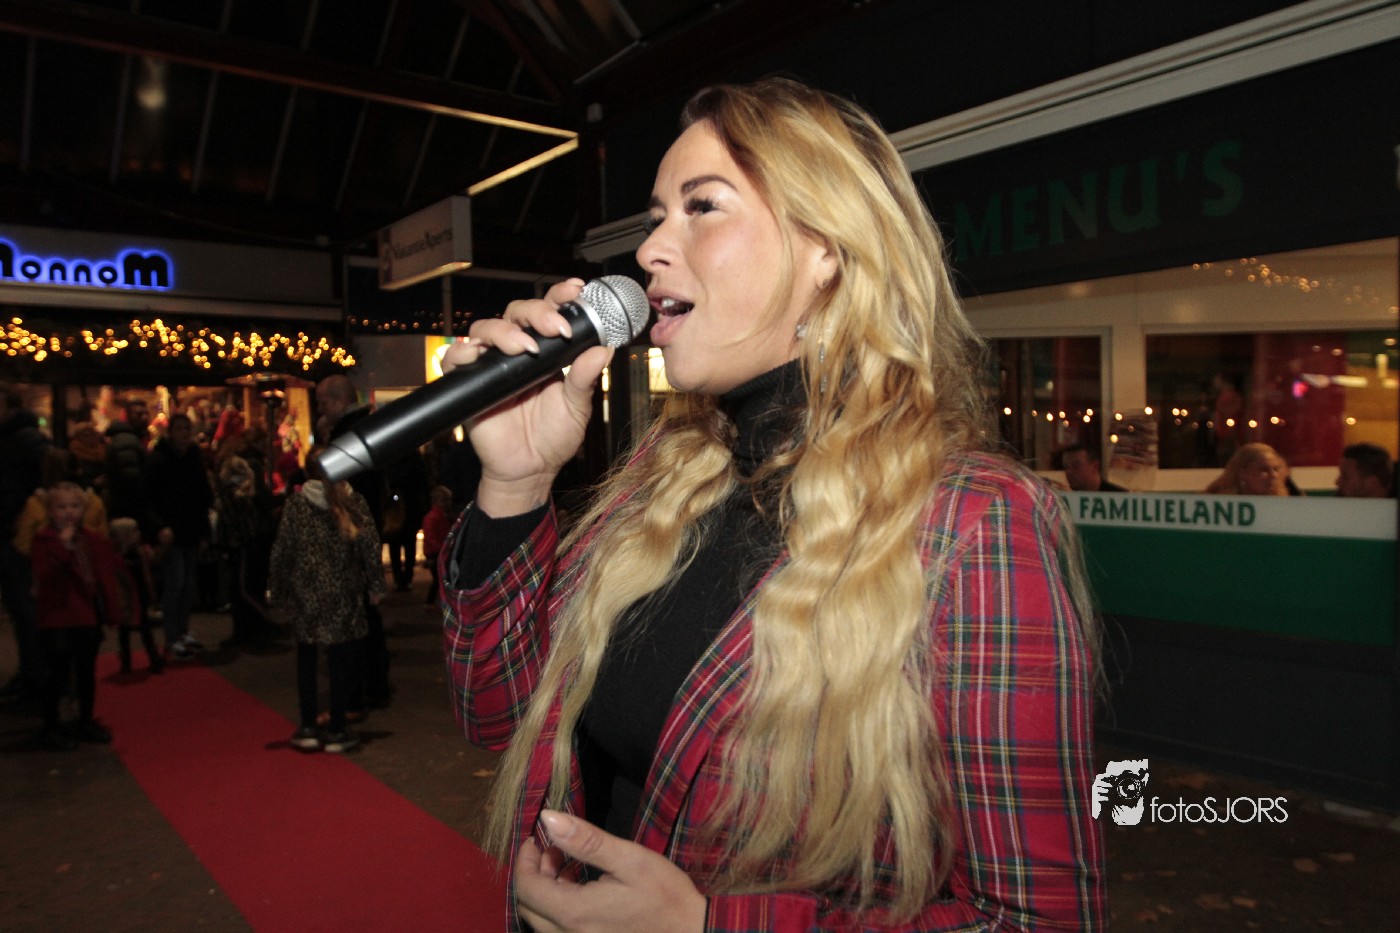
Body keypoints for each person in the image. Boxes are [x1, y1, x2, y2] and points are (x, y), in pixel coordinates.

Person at [439, 78, 1104, 931]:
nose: (651, 249)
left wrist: (707, 927)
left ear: (827, 248)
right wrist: (516, 485)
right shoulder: (660, 484)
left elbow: (1037, 919)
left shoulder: (974, 524)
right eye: (655, 218)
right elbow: (493, 710)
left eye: (701, 207)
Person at [268, 447, 384, 753]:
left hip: (307, 592)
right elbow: (370, 545)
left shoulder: (297, 504)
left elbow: (282, 549)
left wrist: (278, 590)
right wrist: (375, 585)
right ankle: (337, 727)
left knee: (307, 658)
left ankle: (308, 725)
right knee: (341, 660)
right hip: (344, 591)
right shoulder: (352, 501)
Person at [30, 482, 128, 750]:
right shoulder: (44, 540)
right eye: (61, 507)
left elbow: (104, 577)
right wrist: (64, 546)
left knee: (86, 671)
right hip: (57, 618)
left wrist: (112, 610)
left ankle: (85, 720)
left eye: (74, 506)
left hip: (85, 616)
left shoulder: (91, 539)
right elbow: (46, 575)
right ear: (51, 511)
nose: (68, 512)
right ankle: (51, 725)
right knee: (58, 673)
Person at [316, 374, 392, 709]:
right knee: (366, 612)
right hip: (364, 530)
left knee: (356, 616)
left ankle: (359, 688)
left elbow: (340, 488)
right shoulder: (365, 427)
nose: (321, 410)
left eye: (323, 403)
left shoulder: (348, 435)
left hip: (353, 534)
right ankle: (373, 682)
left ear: (336, 401)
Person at [144, 413, 214, 657]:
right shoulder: (159, 460)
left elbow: (203, 496)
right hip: (171, 531)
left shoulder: (194, 458)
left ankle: (182, 631)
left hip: (190, 529)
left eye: (187, 429)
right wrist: (159, 527)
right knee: (175, 583)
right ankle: (172, 635)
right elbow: (148, 498)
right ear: (171, 432)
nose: (184, 434)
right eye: (180, 429)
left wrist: (204, 531)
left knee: (187, 585)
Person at [0, 382, 51, 704]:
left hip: (20, 537)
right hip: (12, 533)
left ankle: (37, 680)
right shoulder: (14, 440)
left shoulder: (26, 441)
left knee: (27, 610)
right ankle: (32, 674)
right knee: (21, 611)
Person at [109, 517, 166, 675]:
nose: (138, 533)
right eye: (134, 531)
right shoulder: (124, 557)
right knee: (137, 631)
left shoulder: (137, 552)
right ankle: (148, 660)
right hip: (131, 598)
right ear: (125, 535)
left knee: (135, 630)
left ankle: (133, 662)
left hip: (137, 597)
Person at [1204, 441, 1290, 496]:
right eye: (1264, 469)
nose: (1273, 475)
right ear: (1242, 473)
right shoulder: (1219, 504)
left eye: (1276, 469)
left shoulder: (1285, 504)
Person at [420, 485, 452, 608]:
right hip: (435, 552)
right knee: (438, 579)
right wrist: (441, 548)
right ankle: (430, 602)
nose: (446, 504)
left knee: (440, 579)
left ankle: (435, 601)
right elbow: (431, 537)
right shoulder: (433, 517)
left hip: (439, 551)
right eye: (444, 500)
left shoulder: (441, 516)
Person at [1060, 442, 1126, 492]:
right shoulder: (1066, 500)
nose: (1069, 472)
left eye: (1076, 465)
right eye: (1066, 467)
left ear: (1095, 466)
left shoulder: (1118, 497)